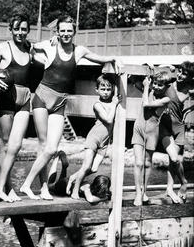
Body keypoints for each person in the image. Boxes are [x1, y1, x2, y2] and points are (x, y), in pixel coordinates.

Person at [19, 16, 123, 200]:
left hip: (60, 102)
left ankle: (38, 187)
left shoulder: (79, 50)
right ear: (57, 32)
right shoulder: (50, 46)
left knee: (52, 148)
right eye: (63, 31)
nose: (66, 34)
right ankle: (32, 186)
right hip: (42, 97)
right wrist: (44, 42)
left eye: (69, 31)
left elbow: (99, 59)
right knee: (45, 147)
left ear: (74, 32)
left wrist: (114, 58)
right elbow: (32, 46)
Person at [0, 14, 33, 202]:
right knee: (5, 144)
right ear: (11, 29)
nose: (20, 33)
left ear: (28, 30)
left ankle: (2, 188)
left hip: (24, 99)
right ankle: (7, 188)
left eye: (24, 29)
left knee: (16, 145)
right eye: (17, 29)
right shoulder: (2, 48)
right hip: (6, 100)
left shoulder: (30, 48)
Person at [66, 74, 120, 199]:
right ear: (97, 90)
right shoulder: (98, 104)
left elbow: (116, 88)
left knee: (94, 168)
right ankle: (75, 189)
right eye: (103, 89)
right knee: (86, 167)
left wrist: (114, 100)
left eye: (108, 89)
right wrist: (114, 104)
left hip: (105, 141)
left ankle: (73, 177)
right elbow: (109, 119)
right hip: (94, 138)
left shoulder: (113, 101)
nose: (106, 92)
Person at [131, 71, 171, 206]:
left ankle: (143, 192)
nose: (157, 86)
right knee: (138, 163)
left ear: (166, 87)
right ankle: (137, 193)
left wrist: (147, 87)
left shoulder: (166, 99)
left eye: (160, 85)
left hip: (152, 132)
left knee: (147, 163)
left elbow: (146, 104)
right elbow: (133, 79)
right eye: (155, 83)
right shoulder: (148, 89)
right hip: (138, 129)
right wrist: (148, 69)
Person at [159, 61, 194, 203]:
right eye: (179, 71)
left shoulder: (190, 89)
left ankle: (169, 189)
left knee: (173, 162)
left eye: (184, 73)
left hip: (179, 127)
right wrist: (167, 67)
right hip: (165, 126)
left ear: (190, 77)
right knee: (173, 158)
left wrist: (188, 111)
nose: (180, 75)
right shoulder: (168, 83)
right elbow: (156, 73)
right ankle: (184, 182)